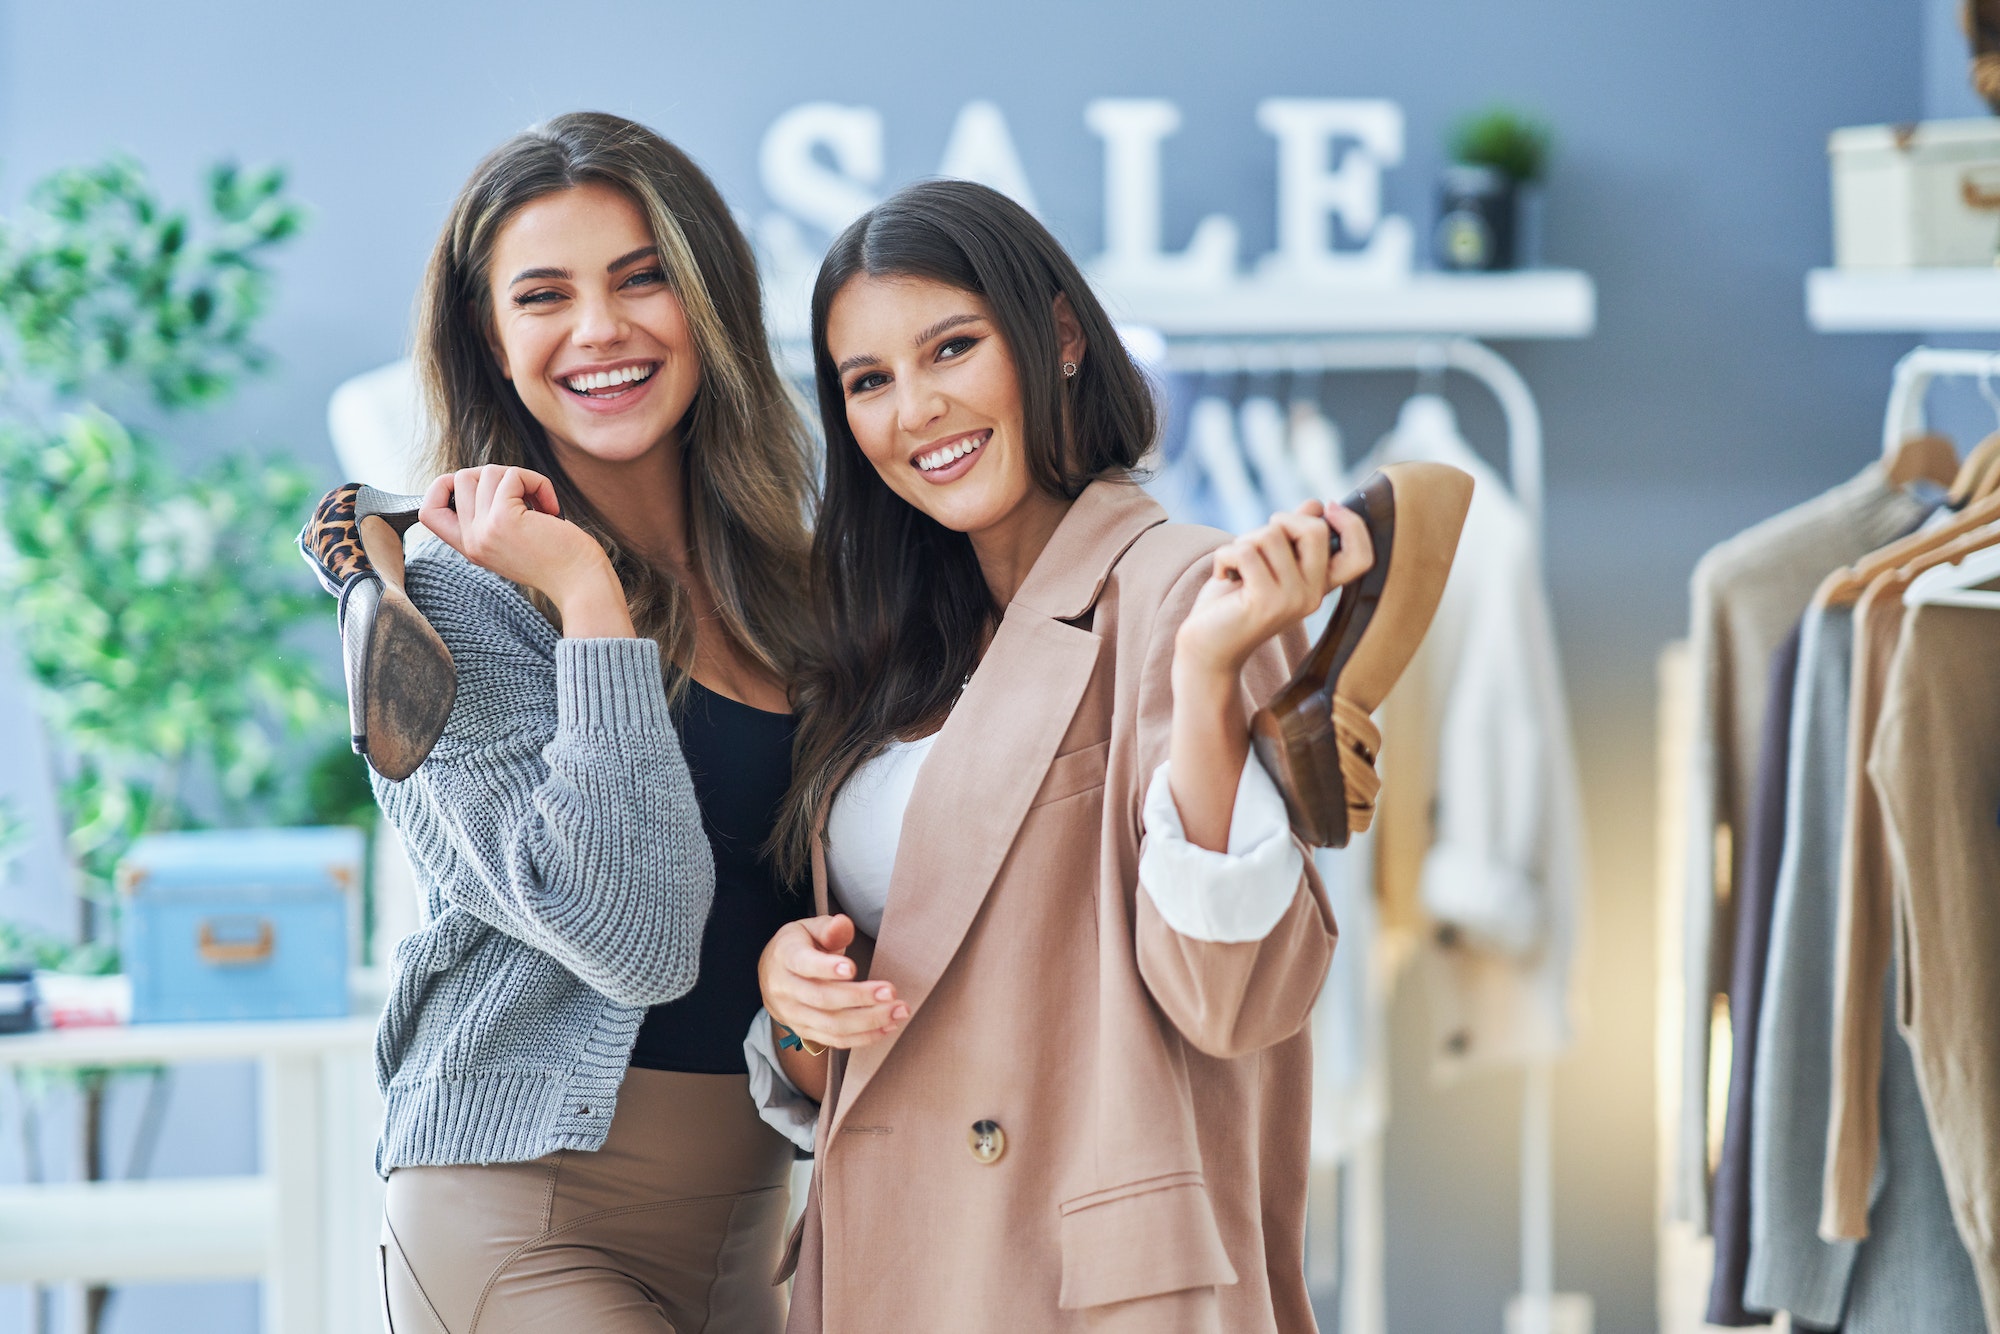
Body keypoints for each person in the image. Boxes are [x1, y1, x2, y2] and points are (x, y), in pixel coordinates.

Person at [749, 179, 1430, 1333]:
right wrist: (796, 1000)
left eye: (950, 348)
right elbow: (893, 1031)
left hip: (1074, 1281)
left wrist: (1210, 681)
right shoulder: (883, 647)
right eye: (868, 381)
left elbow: (1236, 992)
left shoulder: (1184, 587)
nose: (913, 410)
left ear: (1058, 336)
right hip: (893, 1264)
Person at [299, 111, 815, 1333]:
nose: (600, 330)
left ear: (710, 304)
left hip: (755, 1217)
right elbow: (628, 935)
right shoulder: (447, 605)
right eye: (544, 295)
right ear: (491, 335)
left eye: (643, 279)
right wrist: (587, 595)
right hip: (522, 1214)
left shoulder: (796, 587)